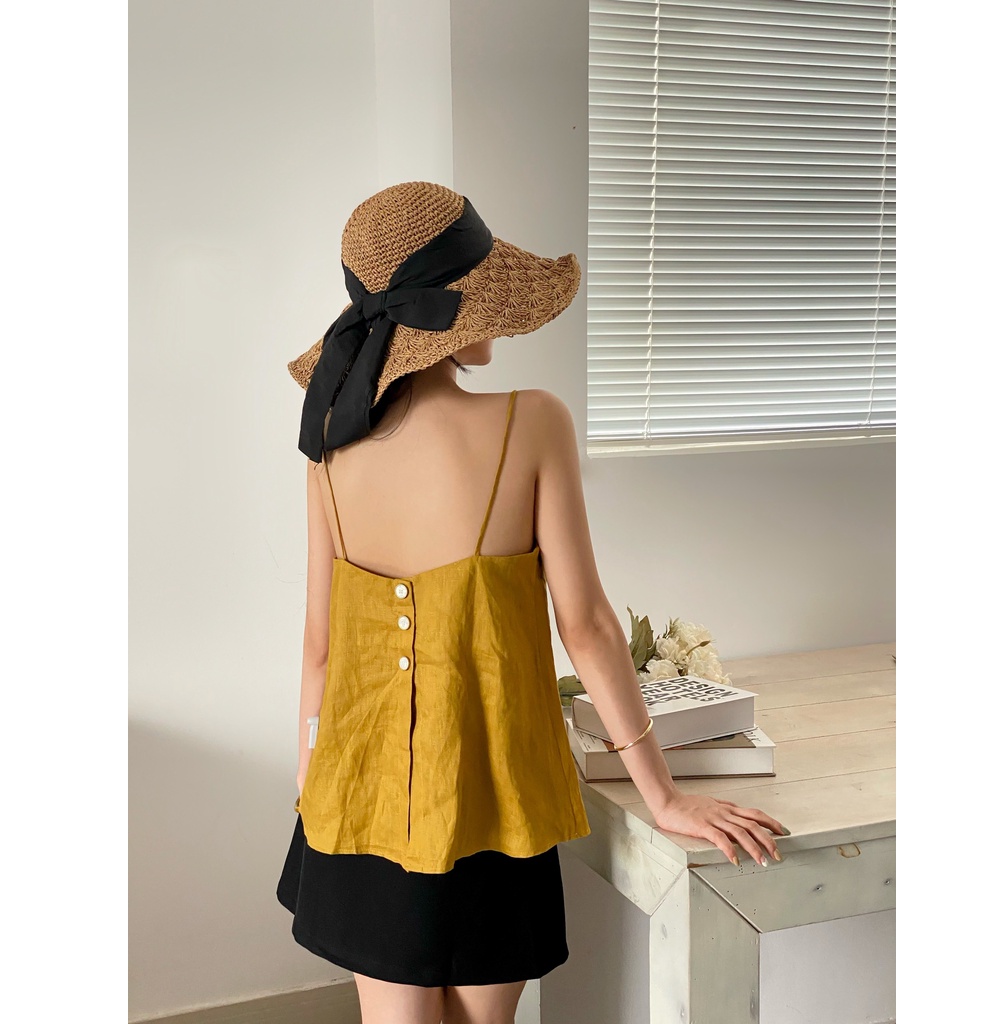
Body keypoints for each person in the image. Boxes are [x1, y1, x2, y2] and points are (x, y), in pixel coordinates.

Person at [276, 182, 787, 1024]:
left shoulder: (331, 451)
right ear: (451, 316)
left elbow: (320, 649)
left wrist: (312, 785)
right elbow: (585, 626)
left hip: (356, 798)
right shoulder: (533, 422)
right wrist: (662, 796)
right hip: (492, 801)